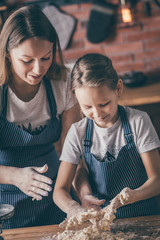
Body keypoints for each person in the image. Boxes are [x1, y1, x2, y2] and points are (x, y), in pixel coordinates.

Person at [0, 5, 80, 229]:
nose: (38, 69)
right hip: (5, 204)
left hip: (55, 196)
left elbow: (72, 152)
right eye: (27, 60)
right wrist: (17, 177)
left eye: (46, 57)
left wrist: (80, 198)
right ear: (7, 53)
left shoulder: (63, 82)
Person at [53, 53, 160, 220]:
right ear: (76, 98)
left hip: (145, 217)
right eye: (87, 106)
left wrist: (132, 195)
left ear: (118, 88)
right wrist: (76, 207)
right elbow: (59, 191)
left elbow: (157, 179)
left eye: (104, 104)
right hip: (103, 222)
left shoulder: (138, 121)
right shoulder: (77, 132)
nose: (97, 114)